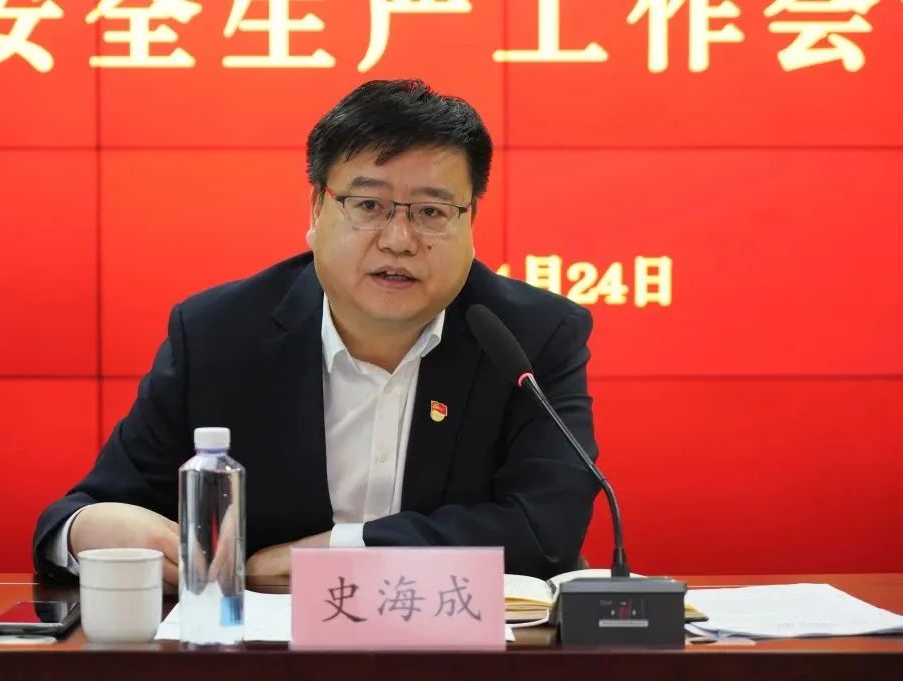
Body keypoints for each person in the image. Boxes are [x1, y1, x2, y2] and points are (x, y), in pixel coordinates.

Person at [33, 79, 600, 587]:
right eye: (369, 205)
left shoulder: (532, 336)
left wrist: (339, 552)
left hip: (468, 651)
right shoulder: (218, 335)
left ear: (470, 219)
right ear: (315, 208)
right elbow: (85, 510)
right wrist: (89, 530)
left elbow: (545, 528)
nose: (399, 240)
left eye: (431, 212)